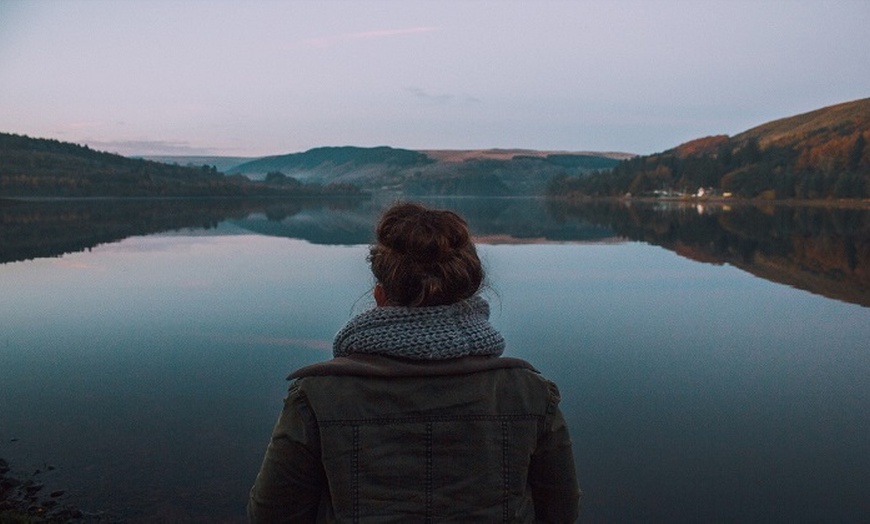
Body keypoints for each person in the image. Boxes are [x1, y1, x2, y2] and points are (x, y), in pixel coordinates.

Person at [248, 202, 581, 522]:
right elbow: (561, 513)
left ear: (380, 296)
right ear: (469, 297)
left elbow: (272, 514)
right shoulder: (531, 394)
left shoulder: (316, 397)